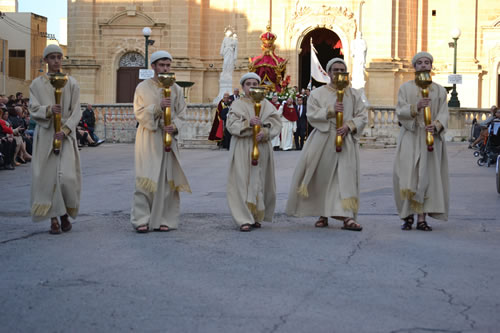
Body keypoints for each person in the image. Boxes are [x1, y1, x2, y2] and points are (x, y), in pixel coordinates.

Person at [286, 58, 367, 231]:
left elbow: (362, 115)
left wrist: (349, 126)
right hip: (324, 139)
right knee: (323, 178)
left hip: (346, 141)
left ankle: (347, 217)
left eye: (342, 70)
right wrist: (330, 112)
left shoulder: (353, 94)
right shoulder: (317, 93)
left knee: (345, 178)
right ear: (328, 73)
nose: (338, 73)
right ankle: (323, 214)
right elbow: (312, 114)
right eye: (335, 70)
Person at [131, 50, 191, 233]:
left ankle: (166, 218)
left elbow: (182, 113)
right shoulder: (142, 88)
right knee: (146, 177)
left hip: (168, 139)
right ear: (154, 66)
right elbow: (139, 112)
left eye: (168, 65)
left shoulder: (177, 89)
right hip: (149, 137)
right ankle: (141, 218)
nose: (165, 68)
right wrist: (157, 108)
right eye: (162, 65)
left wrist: (175, 126)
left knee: (167, 179)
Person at [29, 45, 82, 234]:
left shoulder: (72, 83)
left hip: (65, 137)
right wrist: (49, 110)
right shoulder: (36, 84)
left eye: (59, 57)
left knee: (66, 177)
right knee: (48, 178)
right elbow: (33, 109)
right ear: (46, 60)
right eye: (52, 57)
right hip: (46, 135)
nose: (56, 61)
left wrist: (66, 129)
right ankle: (54, 218)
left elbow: (77, 110)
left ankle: (65, 213)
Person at [393, 52, 449, 231]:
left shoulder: (439, 90)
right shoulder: (405, 88)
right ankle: (407, 216)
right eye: (420, 63)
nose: (424, 65)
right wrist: (415, 107)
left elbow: (444, 112)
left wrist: (437, 125)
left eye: (427, 62)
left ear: (431, 66)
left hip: (430, 139)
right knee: (407, 176)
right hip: (410, 136)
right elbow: (400, 110)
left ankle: (422, 218)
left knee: (425, 177)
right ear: (414, 67)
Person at [226, 72, 282, 231]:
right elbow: (231, 125)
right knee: (242, 181)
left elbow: (275, 123)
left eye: (254, 84)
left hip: (262, 146)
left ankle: (257, 214)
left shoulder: (267, 105)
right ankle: (244, 218)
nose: (252, 87)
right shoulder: (237, 105)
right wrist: (247, 124)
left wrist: (265, 131)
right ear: (243, 87)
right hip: (243, 146)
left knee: (260, 180)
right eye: (248, 84)